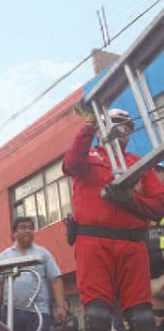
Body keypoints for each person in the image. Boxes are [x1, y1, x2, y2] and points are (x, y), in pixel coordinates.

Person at [63, 107, 164, 330]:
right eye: (115, 123)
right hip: (93, 242)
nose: (122, 130)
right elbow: (70, 165)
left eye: (126, 126)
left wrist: (130, 201)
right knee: (97, 316)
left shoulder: (141, 164)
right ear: (101, 130)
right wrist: (88, 124)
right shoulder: (87, 157)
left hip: (133, 245)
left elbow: (159, 207)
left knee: (142, 319)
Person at [0, 216, 68, 331]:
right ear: (14, 233)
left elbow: (56, 281)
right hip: (11, 311)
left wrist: (61, 306)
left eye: (31, 228)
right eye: (23, 227)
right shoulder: (4, 256)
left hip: (39, 311)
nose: (27, 230)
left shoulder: (43, 254)